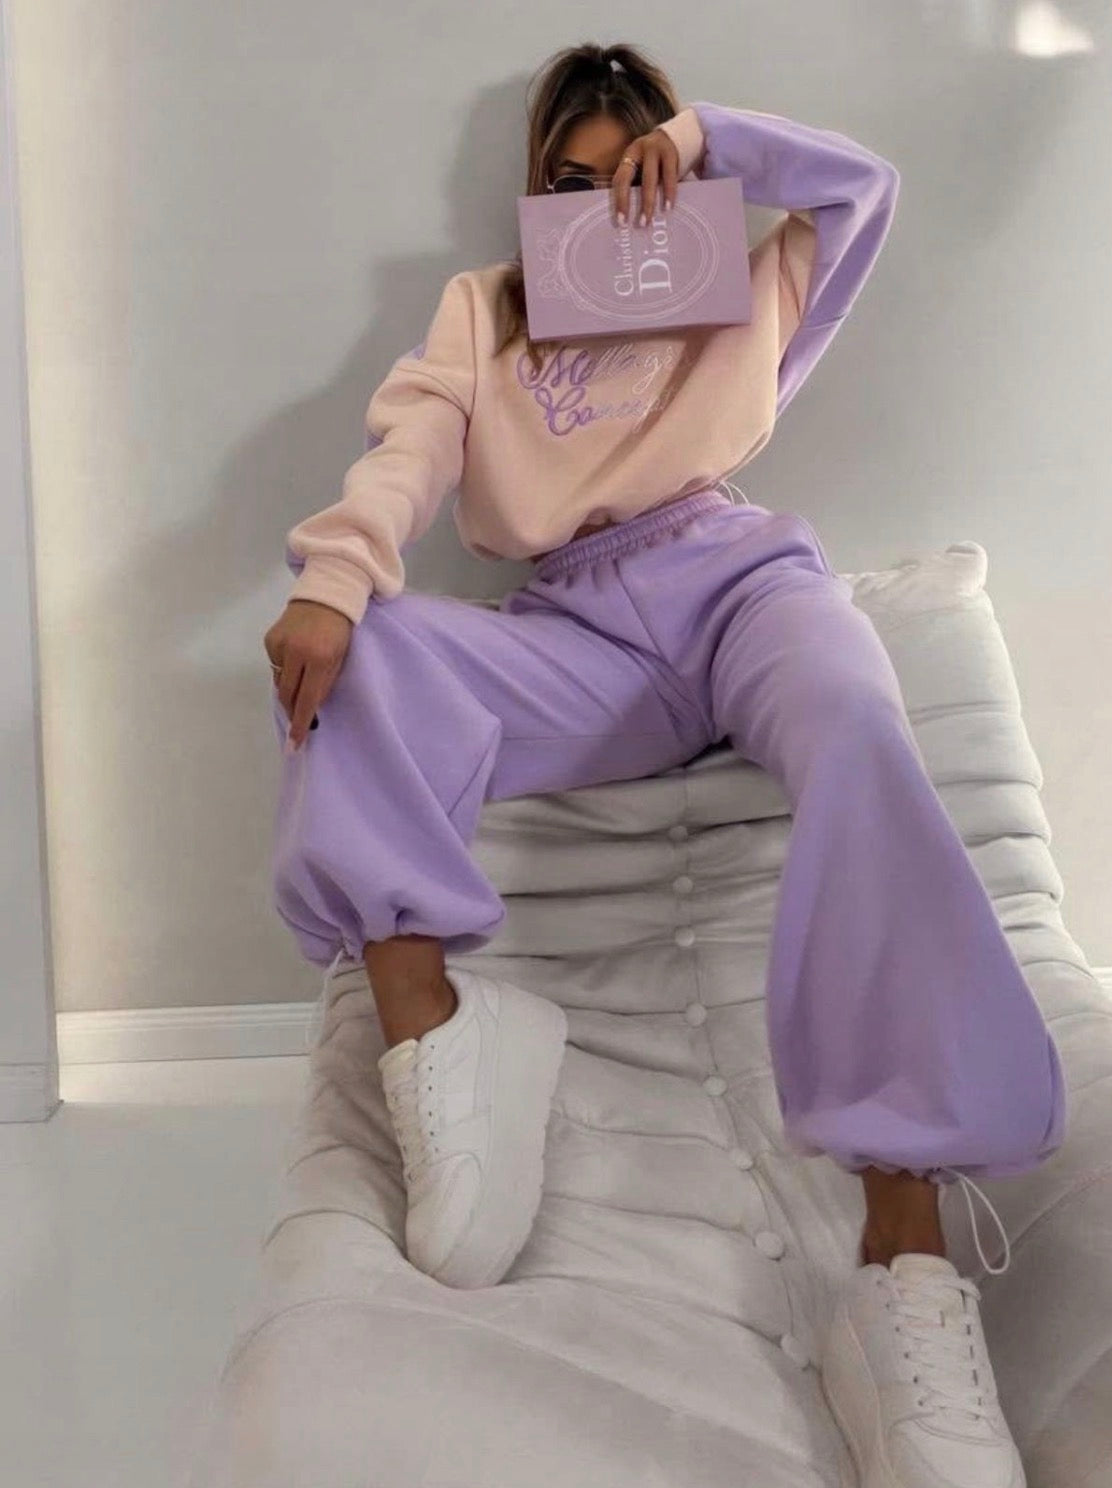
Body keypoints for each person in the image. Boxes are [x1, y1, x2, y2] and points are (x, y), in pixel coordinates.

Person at [263, 40, 1064, 1483]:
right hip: (580, 634)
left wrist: (707, 145)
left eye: (626, 167)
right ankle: (440, 1030)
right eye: (569, 179)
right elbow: (414, 440)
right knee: (368, 653)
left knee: (858, 729)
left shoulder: (737, 282)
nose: (602, 200)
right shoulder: (488, 310)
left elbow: (865, 192)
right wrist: (337, 570)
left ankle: (903, 1248)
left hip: (743, 585)